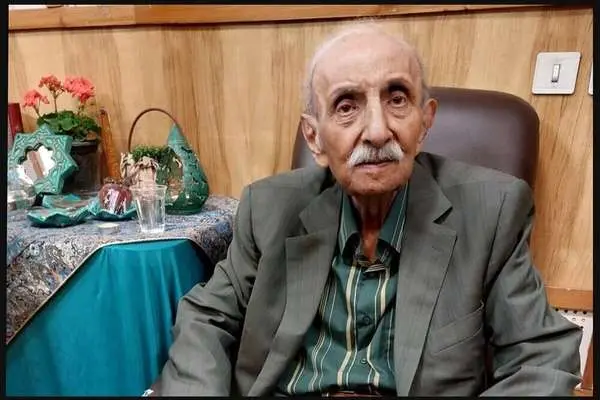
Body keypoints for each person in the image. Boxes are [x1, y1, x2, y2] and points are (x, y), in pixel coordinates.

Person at [151, 22, 582, 396]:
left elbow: (541, 356)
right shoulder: (268, 207)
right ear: (314, 138)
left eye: (397, 99)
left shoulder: (492, 211)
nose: (377, 131)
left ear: (425, 122)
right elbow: (207, 318)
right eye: (347, 106)